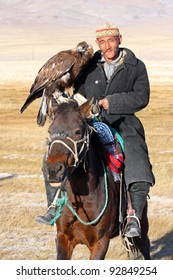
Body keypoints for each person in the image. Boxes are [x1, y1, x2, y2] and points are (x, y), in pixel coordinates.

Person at [36, 22, 155, 238]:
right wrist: (70, 103)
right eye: (102, 42)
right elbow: (79, 92)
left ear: (120, 39)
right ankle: (54, 205)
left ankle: (133, 216)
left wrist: (110, 102)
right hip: (90, 121)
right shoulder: (89, 65)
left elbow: (142, 97)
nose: (107, 46)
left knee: (137, 160)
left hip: (123, 123)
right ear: (97, 44)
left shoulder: (136, 66)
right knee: (56, 152)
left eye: (111, 40)